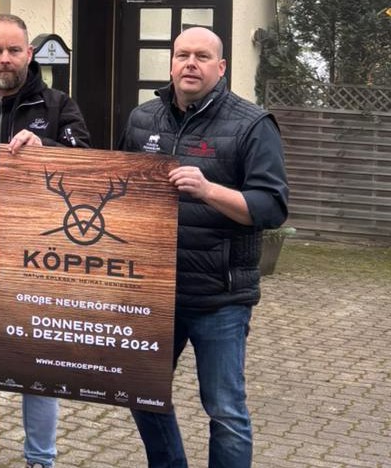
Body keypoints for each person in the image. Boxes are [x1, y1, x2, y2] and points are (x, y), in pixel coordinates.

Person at [120, 26, 289, 468]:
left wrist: (209, 190)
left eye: (201, 56)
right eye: (182, 55)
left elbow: (271, 207)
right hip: (153, 293)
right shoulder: (143, 119)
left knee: (225, 411)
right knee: (141, 393)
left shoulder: (252, 124)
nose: (189, 63)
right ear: (172, 63)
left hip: (220, 296)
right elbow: (114, 187)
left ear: (221, 67)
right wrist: (49, 152)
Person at [0, 14, 91, 468]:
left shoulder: (57, 106)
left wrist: (48, 150)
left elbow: (87, 168)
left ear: (29, 54)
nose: (6, 59)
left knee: (39, 365)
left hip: (38, 264)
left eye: (15, 50)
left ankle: (40, 458)